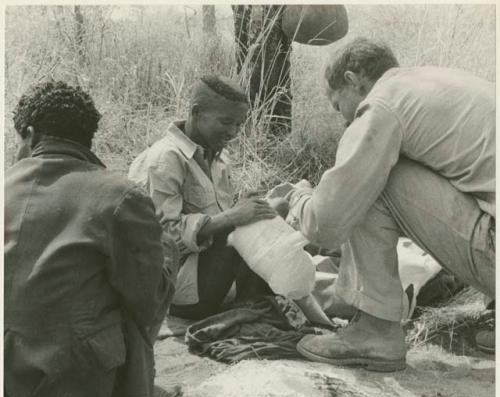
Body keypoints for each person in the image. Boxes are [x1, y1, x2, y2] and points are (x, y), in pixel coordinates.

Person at [283, 38, 495, 371]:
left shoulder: (383, 104)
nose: (343, 121)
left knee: (372, 179)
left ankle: (375, 330)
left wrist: (299, 200)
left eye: (339, 105)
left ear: (353, 80)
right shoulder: (435, 82)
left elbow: (326, 224)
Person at [4, 81, 179, 397]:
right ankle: (139, 395)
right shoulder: (120, 195)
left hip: (8, 368)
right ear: (87, 136)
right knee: (136, 288)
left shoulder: (5, 185)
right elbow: (150, 301)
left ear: (29, 134)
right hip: (72, 375)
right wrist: (168, 248)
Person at [128, 75, 277, 320]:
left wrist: (245, 208)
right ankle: (249, 304)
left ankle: (250, 301)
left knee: (271, 212)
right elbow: (159, 240)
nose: (233, 132)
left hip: (210, 275)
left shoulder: (219, 157)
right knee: (234, 232)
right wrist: (233, 216)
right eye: (226, 122)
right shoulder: (165, 159)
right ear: (196, 112)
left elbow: (221, 216)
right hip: (169, 287)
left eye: (239, 124)